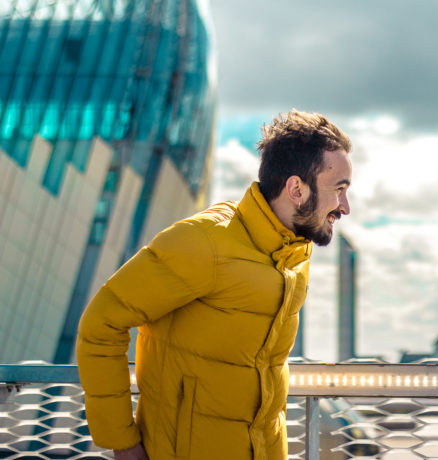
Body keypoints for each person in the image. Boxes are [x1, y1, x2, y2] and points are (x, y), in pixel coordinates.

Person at [76, 109, 352, 460]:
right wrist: (123, 443)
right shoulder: (203, 242)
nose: (344, 206)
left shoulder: (294, 254)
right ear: (296, 188)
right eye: (339, 190)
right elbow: (100, 324)